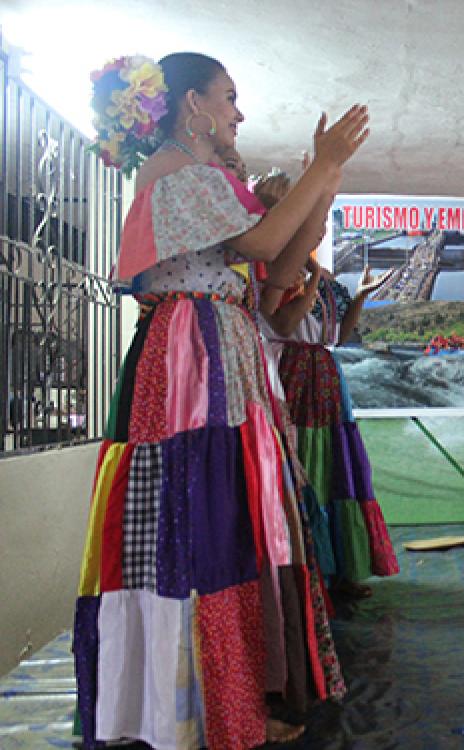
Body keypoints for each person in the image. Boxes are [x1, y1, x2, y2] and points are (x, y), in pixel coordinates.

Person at [75, 51, 369, 748]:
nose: (238, 113)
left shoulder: (201, 179)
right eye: (228, 97)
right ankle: (197, 706)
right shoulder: (173, 173)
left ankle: (227, 696)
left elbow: (281, 272)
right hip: (189, 361)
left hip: (221, 350)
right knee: (199, 521)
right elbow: (266, 239)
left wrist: (321, 189)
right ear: (191, 107)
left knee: (234, 519)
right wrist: (321, 169)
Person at [259, 255, 400, 599]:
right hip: (292, 372)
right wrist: (314, 279)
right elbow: (283, 323)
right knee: (302, 462)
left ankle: (339, 570)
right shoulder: (277, 274)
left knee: (336, 467)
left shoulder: (320, 280)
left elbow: (339, 334)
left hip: (323, 373)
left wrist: (361, 295)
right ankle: (308, 572)